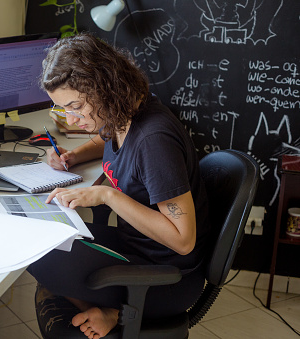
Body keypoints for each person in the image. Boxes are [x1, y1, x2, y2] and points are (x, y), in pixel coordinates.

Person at [27, 32, 211, 339]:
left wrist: (106, 195)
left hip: (167, 277)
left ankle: (119, 315)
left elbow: (182, 239)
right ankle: (106, 311)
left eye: (74, 106)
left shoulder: (154, 142)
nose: (70, 120)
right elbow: (108, 138)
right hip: (137, 248)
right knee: (37, 241)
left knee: (40, 257)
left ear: (103, 88)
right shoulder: (127, 112)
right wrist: (74, 155)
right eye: (62, 110)